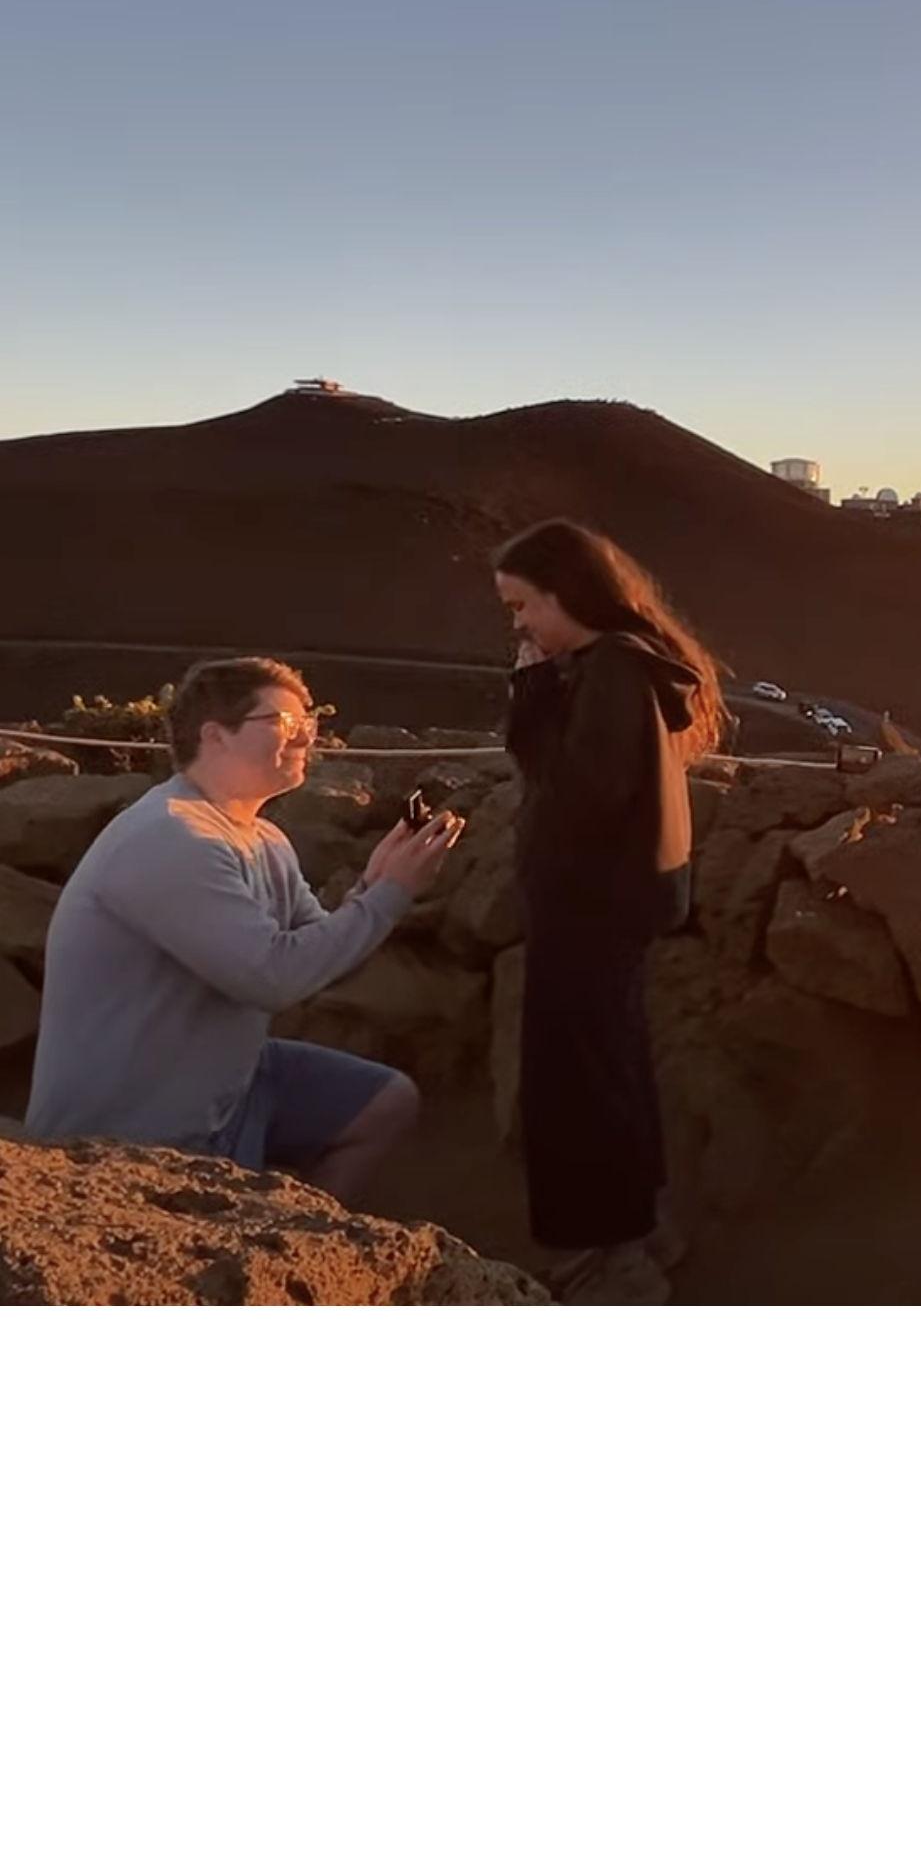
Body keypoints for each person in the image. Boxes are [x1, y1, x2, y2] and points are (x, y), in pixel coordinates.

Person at [27, 659, 462, 1200]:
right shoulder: (171, 837)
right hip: (138, 1124)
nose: (306, 736)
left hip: (226, 1081)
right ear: (216, 735)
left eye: (309, 722)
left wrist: (372, 886)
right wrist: (390, 898)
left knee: (384, 1103)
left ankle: (303, 1240)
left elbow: (313, 948)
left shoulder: (263, 839)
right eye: (283, 722)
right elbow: (270, 978)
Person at [492, 519, 726, 1305]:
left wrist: (531, 690)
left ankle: (609, 1249)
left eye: (524, 606)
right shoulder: (616, 668)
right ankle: (636, 1224)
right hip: (607, 901)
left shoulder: (613, 675)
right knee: (607, 1063)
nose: (519, 623)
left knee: (580, 1076)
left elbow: (576, 796)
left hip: (590, 901)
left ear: (568, 593)